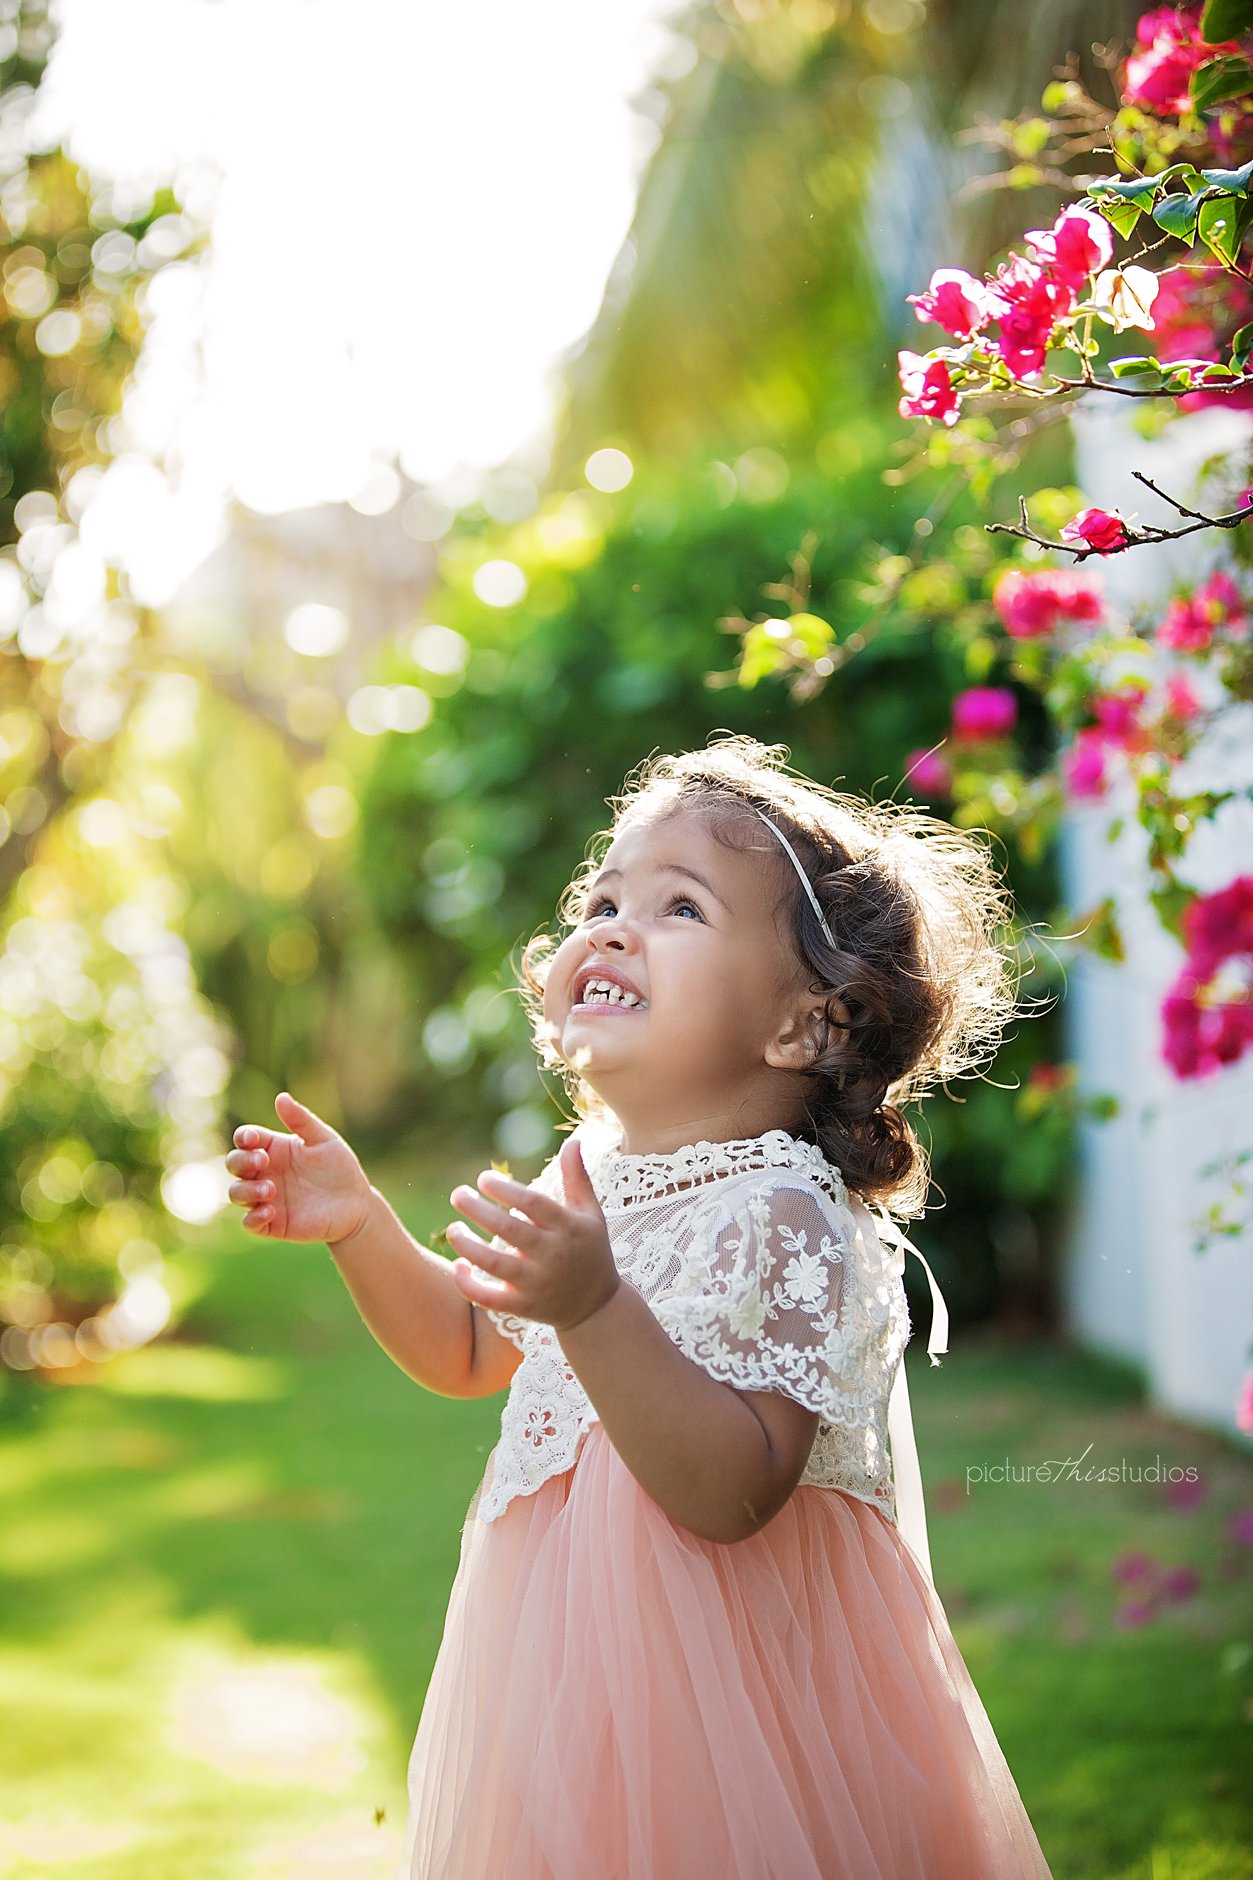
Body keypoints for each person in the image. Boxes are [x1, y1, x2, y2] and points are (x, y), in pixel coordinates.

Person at [225, 733, 1055, 1879]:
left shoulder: (783, 1210)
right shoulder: (594, 1171)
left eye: (678, 907)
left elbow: (732, 1487)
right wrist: (362, 1221)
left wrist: (595, 1300)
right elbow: (469, 1345)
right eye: (604, 896)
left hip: (733, 1700)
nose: (611, 925)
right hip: (566, 1678)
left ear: (803, 1022)